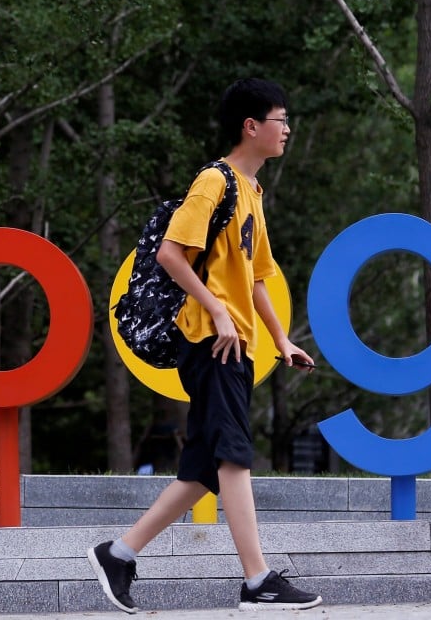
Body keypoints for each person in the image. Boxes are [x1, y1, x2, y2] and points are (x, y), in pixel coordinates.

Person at [88, 78, 323, 613]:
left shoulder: (252, 192)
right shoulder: (213, 182)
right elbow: (172, 253)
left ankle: (118, 555)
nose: (286, 129)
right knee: (234, 457)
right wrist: (215, 308)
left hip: (236, 345)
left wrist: (282, 340)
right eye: (280, 119)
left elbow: (258, 277)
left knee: (201, 470)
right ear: (251, 126)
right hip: (209, 343)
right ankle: (258, 581)